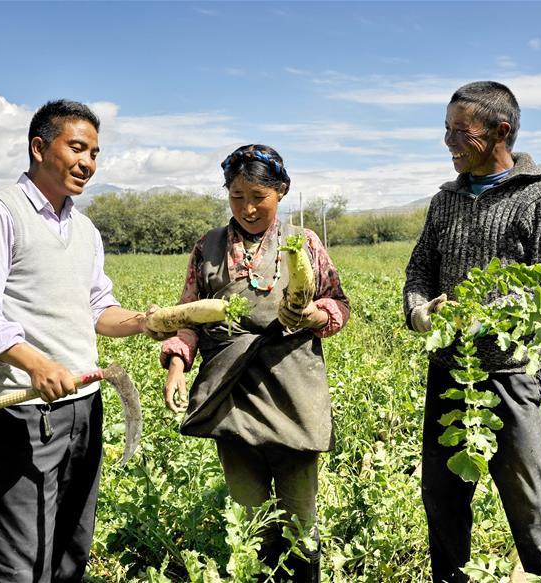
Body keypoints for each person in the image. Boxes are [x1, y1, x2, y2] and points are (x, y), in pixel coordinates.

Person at [0, 99, 164, 582]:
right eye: (77, 148)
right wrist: (35, 363)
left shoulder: (85, 229)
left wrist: (144, 321)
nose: (88, 163)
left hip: (84, 403)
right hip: (29, 406)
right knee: (24, 551)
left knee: (73, 540)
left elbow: (98, 309)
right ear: (38, 147)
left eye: (94, 153)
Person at [403, 82, 541, 583]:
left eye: (462, 131)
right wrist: (419, 312)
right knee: (442, 496)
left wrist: (479, 314)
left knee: (530, 504)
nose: (449, 141)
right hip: (449, 373)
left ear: (501, 130)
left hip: (510, 376)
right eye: (447, 129)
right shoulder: (445, 200)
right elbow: (419, 272)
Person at [159, 144, 349, 582]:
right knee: (249, 513)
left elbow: (338, 303)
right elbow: (187, 315)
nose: (247, 207)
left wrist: (312, 314)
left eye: (258, 197)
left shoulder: (303, 244)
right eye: (236, 196)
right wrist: (176, 363)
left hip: (291, 387)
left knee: (300, 514)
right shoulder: (208, 248)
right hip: (231, 390)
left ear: (280, 192)